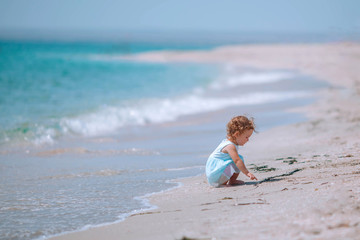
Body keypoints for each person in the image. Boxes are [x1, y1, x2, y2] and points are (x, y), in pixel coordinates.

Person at [206, 115, 258, 187]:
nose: (248, 140)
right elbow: (237, 161)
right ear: (237, 134)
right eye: (246, 137)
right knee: (237, 160)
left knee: (239, 158)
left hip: (216, 173)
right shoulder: (230, 146)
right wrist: (247, 173)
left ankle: (232, 181)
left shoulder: (230, 143)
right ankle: (222, 184)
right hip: (215, 175)